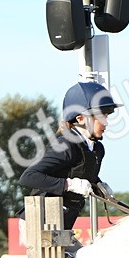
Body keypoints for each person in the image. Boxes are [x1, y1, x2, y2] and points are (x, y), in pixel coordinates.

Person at [18, 80, 117, 229]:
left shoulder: (97, 149)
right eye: (101, 117)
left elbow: (82, 172)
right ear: (81, 118)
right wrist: (68, 184)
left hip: (63, 223)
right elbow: (28, 177)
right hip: (38, 223)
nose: (106, 123)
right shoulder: (65, 145)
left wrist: (99, 187)